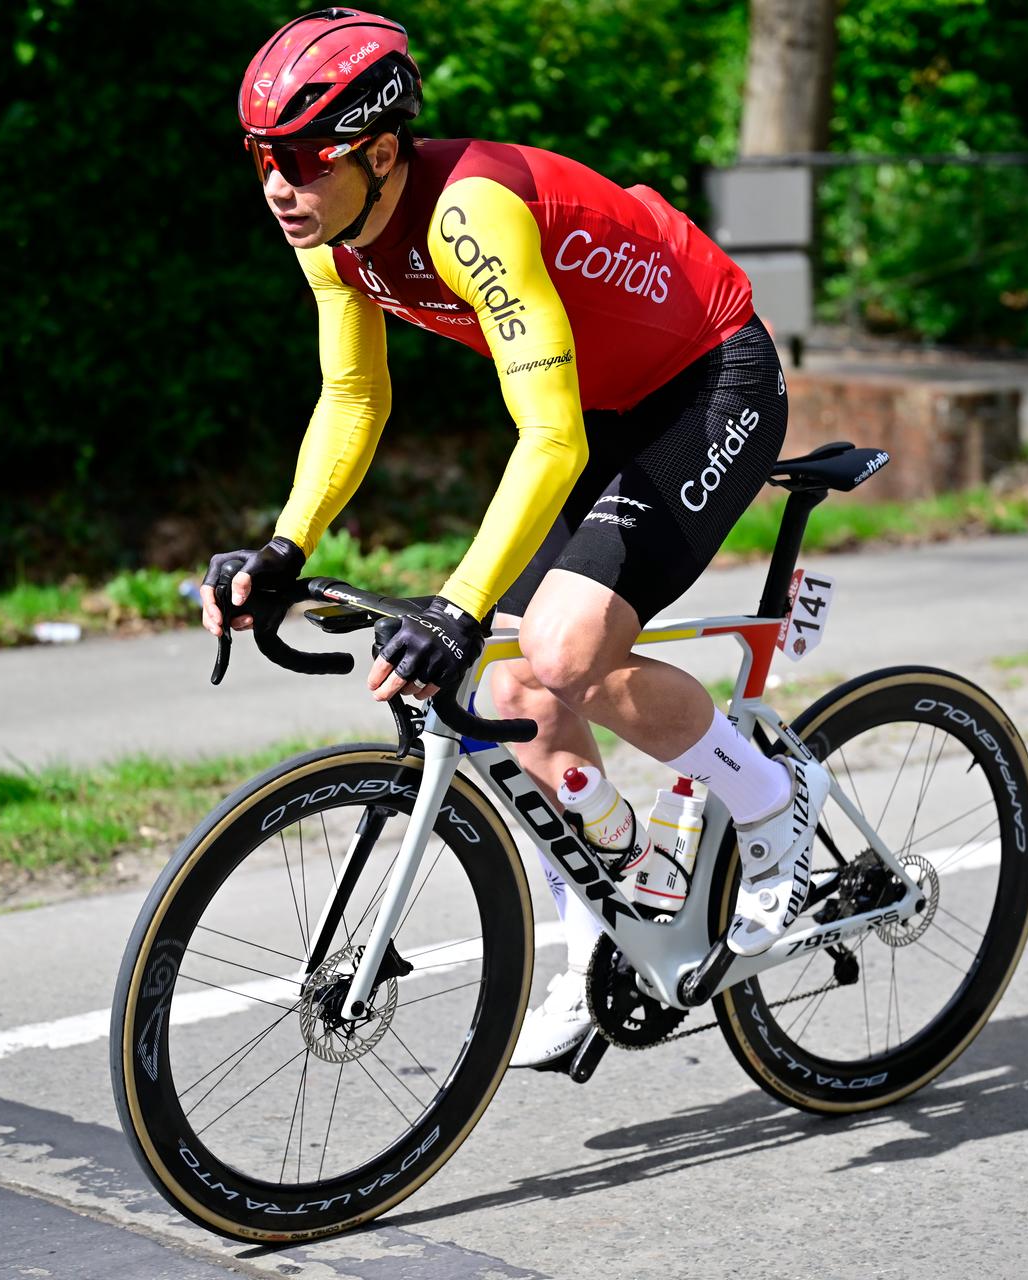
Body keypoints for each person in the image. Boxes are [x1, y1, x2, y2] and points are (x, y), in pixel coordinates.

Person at [199, 7, 829, 1068]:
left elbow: (550, 438)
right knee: (514, 691)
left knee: (564, 649)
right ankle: (607, 919)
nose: (277, 185)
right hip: (607, 403)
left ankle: (772, 800)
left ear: (381, 153)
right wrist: (285, 547)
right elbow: (353, 397)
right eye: (262, 157)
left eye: (300, 159)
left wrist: (458, 604)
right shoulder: (331, 235)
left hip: (708, 376)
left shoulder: (470, 215)